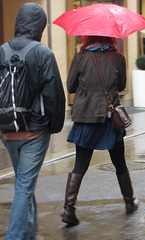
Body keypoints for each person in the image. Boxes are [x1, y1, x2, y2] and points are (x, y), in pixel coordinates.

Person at [0, 3, 65, 240]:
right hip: (34, 132)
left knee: (24, 184)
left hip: (7, 131)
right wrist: (54, 125)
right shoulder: (43, 53)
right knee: (24, 186)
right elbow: (54, 95)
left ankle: (28, 232)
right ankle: (15, 237)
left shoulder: (2, 51)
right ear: (40, 26)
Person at [61, 36, 138, 226]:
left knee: (80, 165)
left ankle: (69, 209)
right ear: (111, 37)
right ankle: (129, 202)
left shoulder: (81, 56)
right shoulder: (118, 57)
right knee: (119, 162)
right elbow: (121, 87)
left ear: (88, 37)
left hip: (85, 117)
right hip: (109, 118)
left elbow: (70, 86)